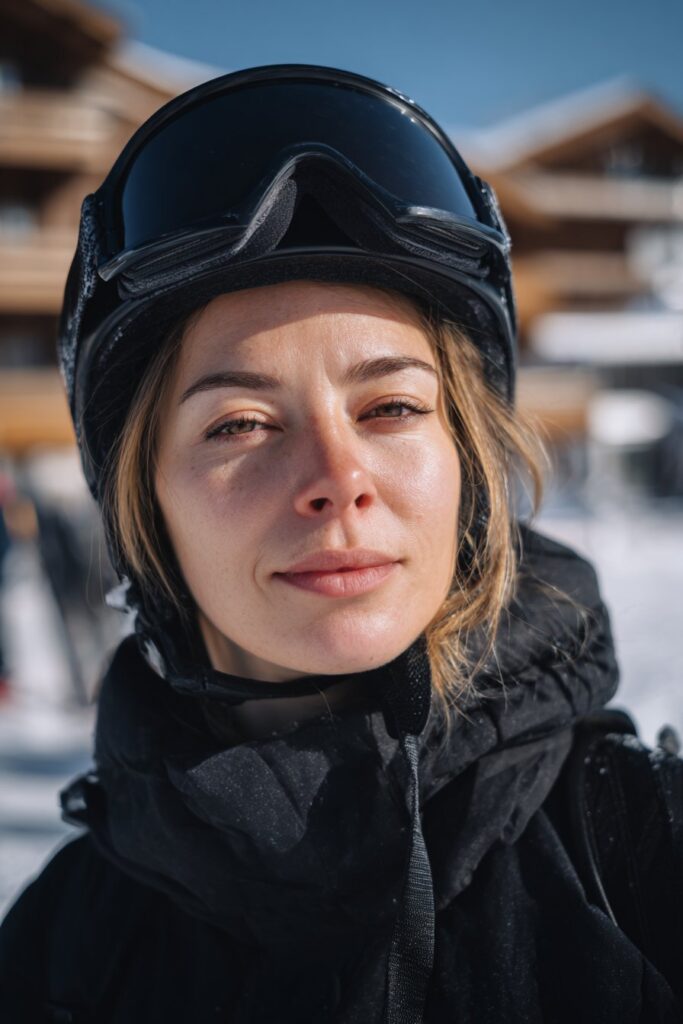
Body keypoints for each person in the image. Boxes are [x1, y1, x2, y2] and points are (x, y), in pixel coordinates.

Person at [0, 65, 681, 1024]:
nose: (337, 476)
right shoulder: (61, 948)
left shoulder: (646, 854)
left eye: (392, 406)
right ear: (145, 505)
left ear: (467, 464)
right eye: (238, 424)